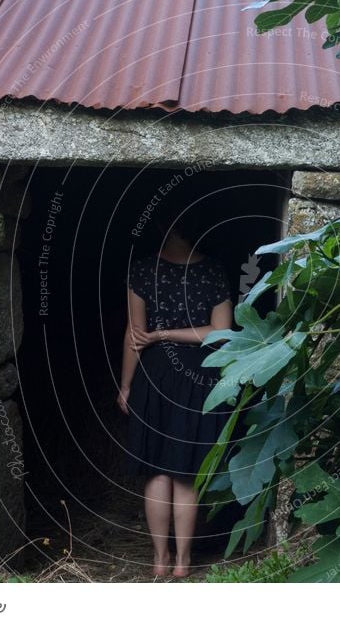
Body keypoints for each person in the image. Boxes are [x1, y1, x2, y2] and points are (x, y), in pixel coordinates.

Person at [117, 202, 233, 578]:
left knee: (157, 473)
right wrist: (170, 334)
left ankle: (159, 559)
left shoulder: (142, 269)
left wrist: (126, 385)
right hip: (200, 377)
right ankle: (183, 563)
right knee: (185, 472)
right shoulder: (214, 271)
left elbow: (134, 337)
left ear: (163, 225)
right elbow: (220, 332)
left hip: (155, 374)